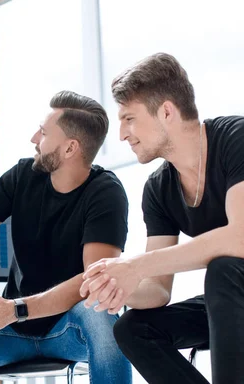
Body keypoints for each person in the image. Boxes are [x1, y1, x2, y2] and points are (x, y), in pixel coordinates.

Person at [0, 91, 132, 384]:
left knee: (100, 316)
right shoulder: (24, 175)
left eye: (44, 133)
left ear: (70, 148)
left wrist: (16, 310)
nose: (34, 138)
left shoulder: (106, 193)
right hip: (10, 333)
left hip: (67, 332)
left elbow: (92, 280)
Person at [80, 52, 244, 384]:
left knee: (222, 270)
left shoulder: (235, 139)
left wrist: (136, 266)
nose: (123, 134)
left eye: (129, 118)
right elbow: (158, 288)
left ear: (166, 111)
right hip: (229, 301)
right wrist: (120, 289)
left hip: (230, 286)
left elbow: (239, 238)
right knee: (133, 328)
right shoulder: (158, 189)